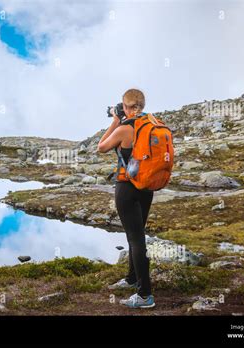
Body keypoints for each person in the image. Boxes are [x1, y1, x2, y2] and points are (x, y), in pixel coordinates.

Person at [97, 88, 155, 309]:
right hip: (146, 187)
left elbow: (101, 147)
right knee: (136, 234)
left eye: (125, 106)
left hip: (127, 188)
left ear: (128, 106)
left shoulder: (124, 128)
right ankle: (132, 278)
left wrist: (115, 121)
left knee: (136, 239)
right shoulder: (151, 124)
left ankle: (145, 295)